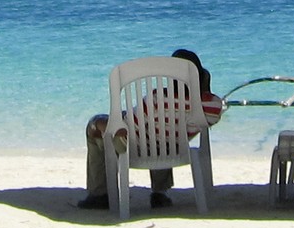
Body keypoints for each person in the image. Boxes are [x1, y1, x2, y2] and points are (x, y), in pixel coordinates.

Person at [78, 48, 223, 210]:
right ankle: (159, 193)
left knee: (96, 125)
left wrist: (105, 123)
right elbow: (211, 117)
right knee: (163, 133)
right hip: (174, 147)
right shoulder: (212, 105)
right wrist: (204, 88)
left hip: (137, 147)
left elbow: (130, 126)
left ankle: (99, 194)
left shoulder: (157, 98)